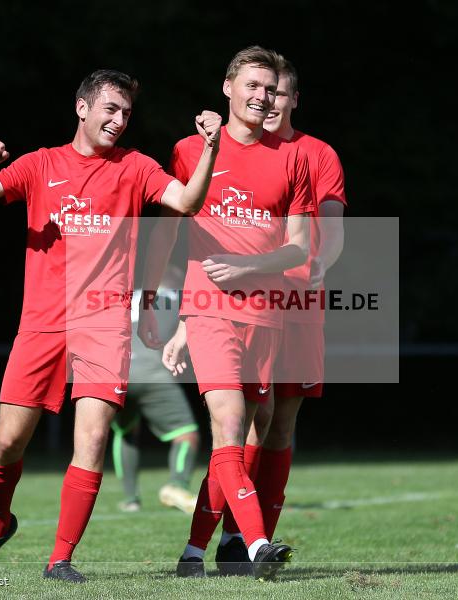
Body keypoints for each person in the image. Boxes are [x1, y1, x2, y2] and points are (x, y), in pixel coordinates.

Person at [0, 69, 221, 583]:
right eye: (110, 110)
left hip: (105, 322)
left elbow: (187, 201)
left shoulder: (136, 168)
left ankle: (60, 560)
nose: (119, 121)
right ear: (83, 108)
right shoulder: (40, 164)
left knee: (94, 438)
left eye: (126, 113)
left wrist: (210, 147)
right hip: (41, 323)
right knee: (8, 444)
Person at [139, 46, 313, 581]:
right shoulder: (190, 151)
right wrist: (151, 300)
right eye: (252, 86)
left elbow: (300, 247)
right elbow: (168, 228)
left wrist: (245, 266)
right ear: (228, 88)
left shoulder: (292, 158)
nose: (262, 97)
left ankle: (194, 551)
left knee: (240, 436)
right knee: (231, 423)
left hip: (267, 317)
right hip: (210, 312)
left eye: (269, 88)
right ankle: (257, 543)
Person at [211, 58, 348, 575]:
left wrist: (319, 267)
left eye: (280, 93)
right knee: (246, 418)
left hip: (297, 300)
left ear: (293, 100)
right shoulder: (233, 149)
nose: (270, 102)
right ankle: (236, 538)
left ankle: (256, 536)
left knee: (281, 420)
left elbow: (331, 232)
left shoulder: (317, 154)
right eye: (263, 91)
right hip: (247, 301)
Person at [112, 264, 200, 514]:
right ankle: (177, 485)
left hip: (118, 375)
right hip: (152, 374)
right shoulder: (174, 298)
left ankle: (130, 499)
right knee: (187, 435)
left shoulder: (130, 298)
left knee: (126, 432)